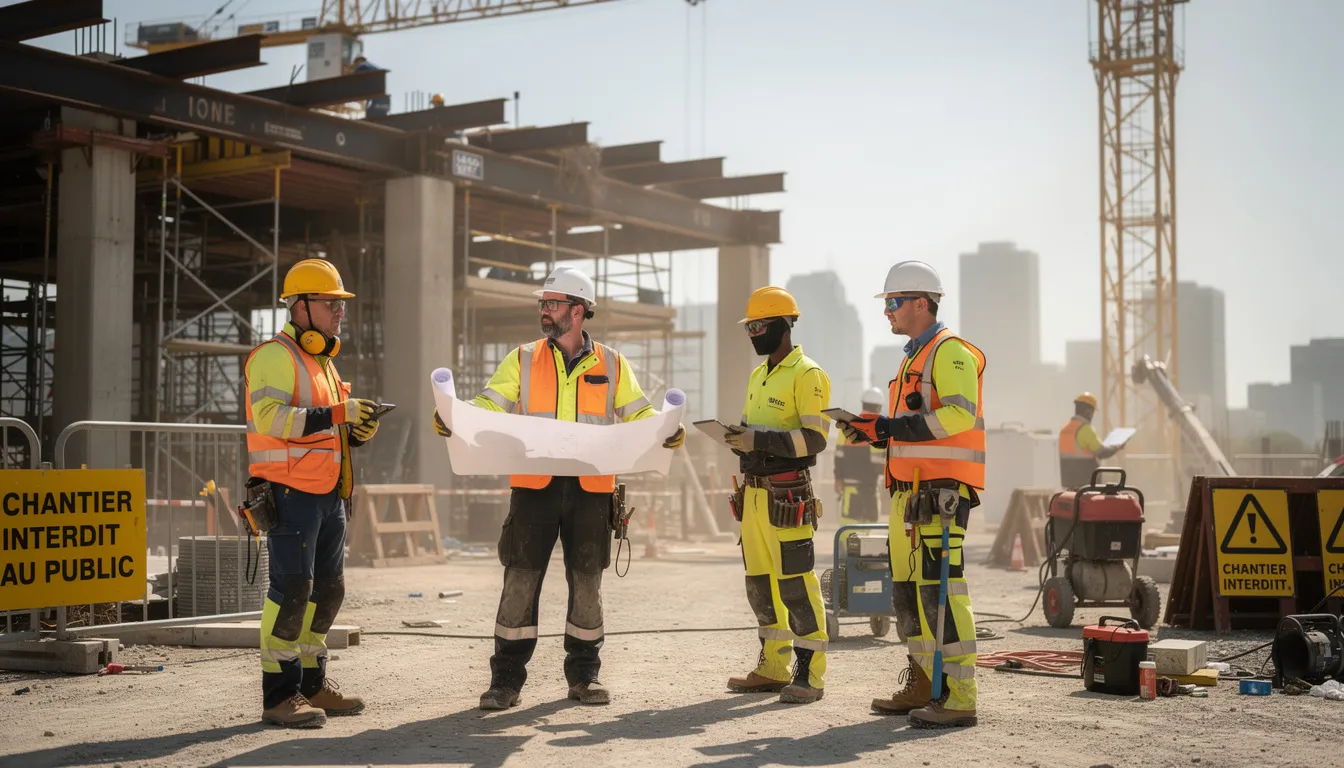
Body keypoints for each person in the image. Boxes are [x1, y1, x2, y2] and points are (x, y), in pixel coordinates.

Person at [432, 265, 685, 710]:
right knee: (519, 582)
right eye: (542, 304)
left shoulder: (612, 363)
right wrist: (457, 415)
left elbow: (638, 414)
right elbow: (492, 404)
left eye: (552, 304)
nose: (544, 311)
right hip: (534, 488)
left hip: (591, 490)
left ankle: (585, 677)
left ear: (579, 310)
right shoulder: (523, 358)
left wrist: (666, 429)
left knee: (587, 583)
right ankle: (505, 681)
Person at [838, 260, 983, 728]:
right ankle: (924, 682)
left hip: (939, 495)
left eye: (894, 303)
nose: (888, 312)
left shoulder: (950, 352)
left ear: (923, 303)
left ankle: (959, 695)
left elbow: (959, 415)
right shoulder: (911, 358)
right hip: (908, 495)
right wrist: (874, 433)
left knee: (943, 594)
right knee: (909, 595)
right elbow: (911, 429)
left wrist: (890, 426)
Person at [245, 259, 382, 728]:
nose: (339, 312)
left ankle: (311, 683)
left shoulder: (323, 362)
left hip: (327, 493)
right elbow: (271, 419)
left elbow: (332, 427)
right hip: (289, 493)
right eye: (330, 303)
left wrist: (357, 428)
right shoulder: (273, 356)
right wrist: (340, 414)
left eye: (340, 304)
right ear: (300, 307)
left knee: (328, 590)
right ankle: (278, 695)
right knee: (292, 591)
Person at [722, 286, 832, 704]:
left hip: (787, 497)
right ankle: (772, 666)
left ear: (784, 325)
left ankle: (810, 674)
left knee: (796, 586)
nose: (752, 333)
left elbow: (815, 439)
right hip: (753, 496)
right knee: (760, 586)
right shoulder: (758, 375)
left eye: (759, 325)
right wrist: (740, 440)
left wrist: (759, 439)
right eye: (749, 326)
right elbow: (757, 435)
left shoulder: (808, 375)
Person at [835, 387, 886, 527]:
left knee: (849, 523)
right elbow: (877, 463)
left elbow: (839, 455)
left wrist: (838, 477)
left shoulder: (848, 425)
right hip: (868, 486)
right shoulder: (876, 427)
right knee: (867, 525)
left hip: (849, 484)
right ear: (878, 406)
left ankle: (844, 549)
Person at [1058, 392, 1120, 488]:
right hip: (1087, 483)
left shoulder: (1064, 429)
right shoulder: (1085, 429)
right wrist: (1117, 447)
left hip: (1068, 483)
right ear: (1088, 411)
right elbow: (1102, 453)